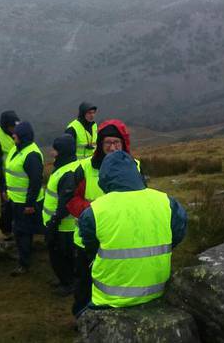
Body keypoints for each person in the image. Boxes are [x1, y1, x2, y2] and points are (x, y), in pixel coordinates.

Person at [79, 151, 187, 310]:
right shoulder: (166, 202)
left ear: (104, 178)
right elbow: (177, 234)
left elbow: (91, 247)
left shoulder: (94, 211)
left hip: (109, 299)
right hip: (158, 292)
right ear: (136, 173)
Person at [66, 119, 144, 316]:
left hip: (122, 240)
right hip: (87, 240)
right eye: (107, 143)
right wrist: (94, 212)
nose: (112, 147)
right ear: (100, 145)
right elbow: (70, 199)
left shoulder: (136, 166)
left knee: (117, 283)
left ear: (124, 144)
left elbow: (143, 197)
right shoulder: (83, 168)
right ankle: (81, 318)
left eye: (117, 143)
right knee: (84, 284)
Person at [5, 121, 44, 276]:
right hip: (16, 200)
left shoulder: (31, 154)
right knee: (21, 231)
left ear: (23, 136)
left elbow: (35, 181)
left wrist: (29, 203)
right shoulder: (17, 149)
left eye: (16, 134)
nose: (13, 135)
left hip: (27, 203)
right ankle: (25, 257)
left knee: (23, 232)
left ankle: (24, 263)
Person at [43, 134, 79, 296]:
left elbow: (66, 202)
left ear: (62, 152)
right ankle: (65, 280)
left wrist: (54, 221)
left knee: (62, 257)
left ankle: (68, 284)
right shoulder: (67, 167)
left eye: (55, 150)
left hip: (63, 226)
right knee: (61, 256)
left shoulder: (67, 172)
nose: (52, 153)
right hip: (60, 224)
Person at [0, 110, 20, 239]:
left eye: (16, 126)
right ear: (5, 125)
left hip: (21, 176)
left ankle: (22, 228)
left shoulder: (18, 131)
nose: (14, 129)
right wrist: (2, 185)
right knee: (7, 205)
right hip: (6, 179)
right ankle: (6, 230)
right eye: (12, 126)